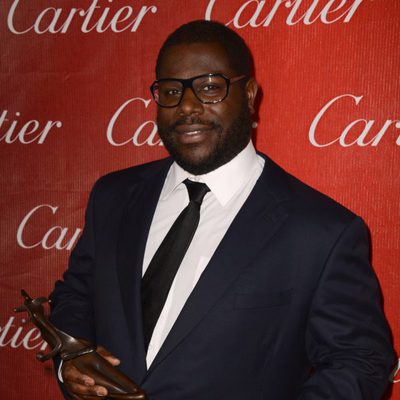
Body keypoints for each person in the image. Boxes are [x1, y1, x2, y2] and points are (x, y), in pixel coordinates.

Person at [49, 20, 394, 400]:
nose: (187, 107)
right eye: (170, 91)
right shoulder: (112, 196)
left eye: (210, 87)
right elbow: (76, 295)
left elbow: (361, 360)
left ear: (248, 95)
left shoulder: (322, 232)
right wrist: (72, 357)